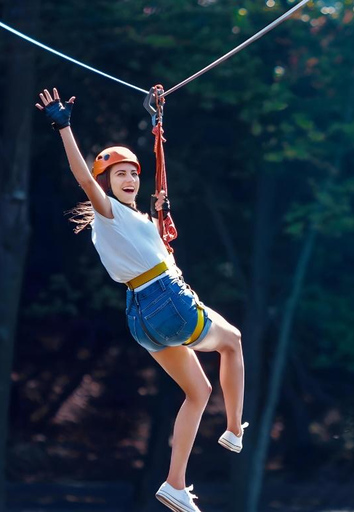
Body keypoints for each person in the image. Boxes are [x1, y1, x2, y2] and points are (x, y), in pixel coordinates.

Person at [36, 87, 247, 512]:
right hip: (164, 302)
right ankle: (234, 431)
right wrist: (64, 128)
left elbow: (159, 254)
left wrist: (160, 219)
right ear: (106, 185)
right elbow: (81, 176)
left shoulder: (138, 219)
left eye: (133, 173)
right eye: (119, 175)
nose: (130, 179)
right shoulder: (107, 213)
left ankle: (174, 483)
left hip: (140, 317)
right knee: (234, 340)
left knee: (198, 391)